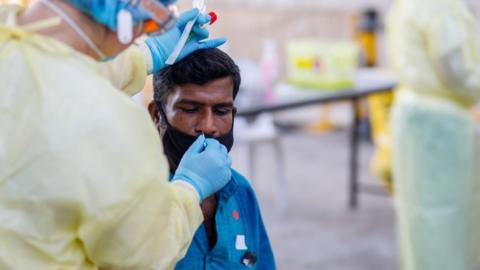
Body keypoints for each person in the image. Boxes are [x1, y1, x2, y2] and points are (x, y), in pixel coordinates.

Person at [0, 1, 232, 269]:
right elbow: (143, 252)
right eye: (151, 20)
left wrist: (146, 54)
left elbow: (53, 65)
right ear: (125, 15)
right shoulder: (107, 125)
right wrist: (190, 189)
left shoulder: (9, 33)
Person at [148, 48, 276, 269]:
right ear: (157, 115)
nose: (208, 127)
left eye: (221, 111)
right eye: (190, 109)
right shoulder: (135, 195)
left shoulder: (240, 191)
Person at [387, 0, 480, 269]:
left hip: (412, 117)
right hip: (442, 126)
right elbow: (457, 71)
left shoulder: (406, 4)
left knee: (417, 215)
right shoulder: (441, 7)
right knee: (445, 219)